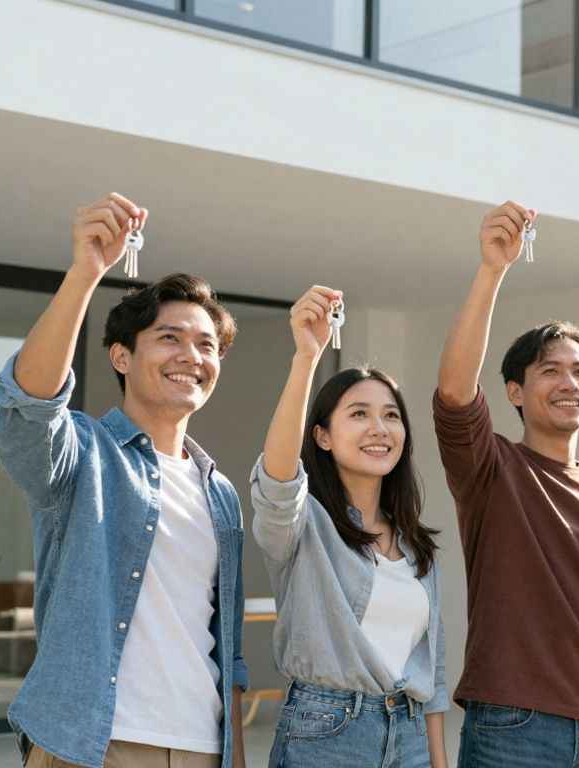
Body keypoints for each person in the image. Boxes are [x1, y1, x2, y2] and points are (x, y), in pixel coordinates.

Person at [0, 193, 247, 768]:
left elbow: (226, 650)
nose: (192, 355)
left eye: (207, 344)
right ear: (122, 357)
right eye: (170, 338)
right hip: (93, 742)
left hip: (203, 747)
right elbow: (27, 411)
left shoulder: (219, 492)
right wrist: (85, 274)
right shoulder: (85, 453)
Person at [433, 201, 579, 767]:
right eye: (549, 370)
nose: (569, 382)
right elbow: (455, 393)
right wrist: (491, 271)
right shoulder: (491, 469)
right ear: (515, 392)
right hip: (512, 727)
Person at [250, 285, 447, 767]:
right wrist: (306, 358)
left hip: (410, 736)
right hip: (327, 733)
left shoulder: (417, 545)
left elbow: (434, 676)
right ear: (321, 435)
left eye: (391, 416)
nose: (379, 428)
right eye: (358, 414)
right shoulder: (304, 526)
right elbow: (276, 484)